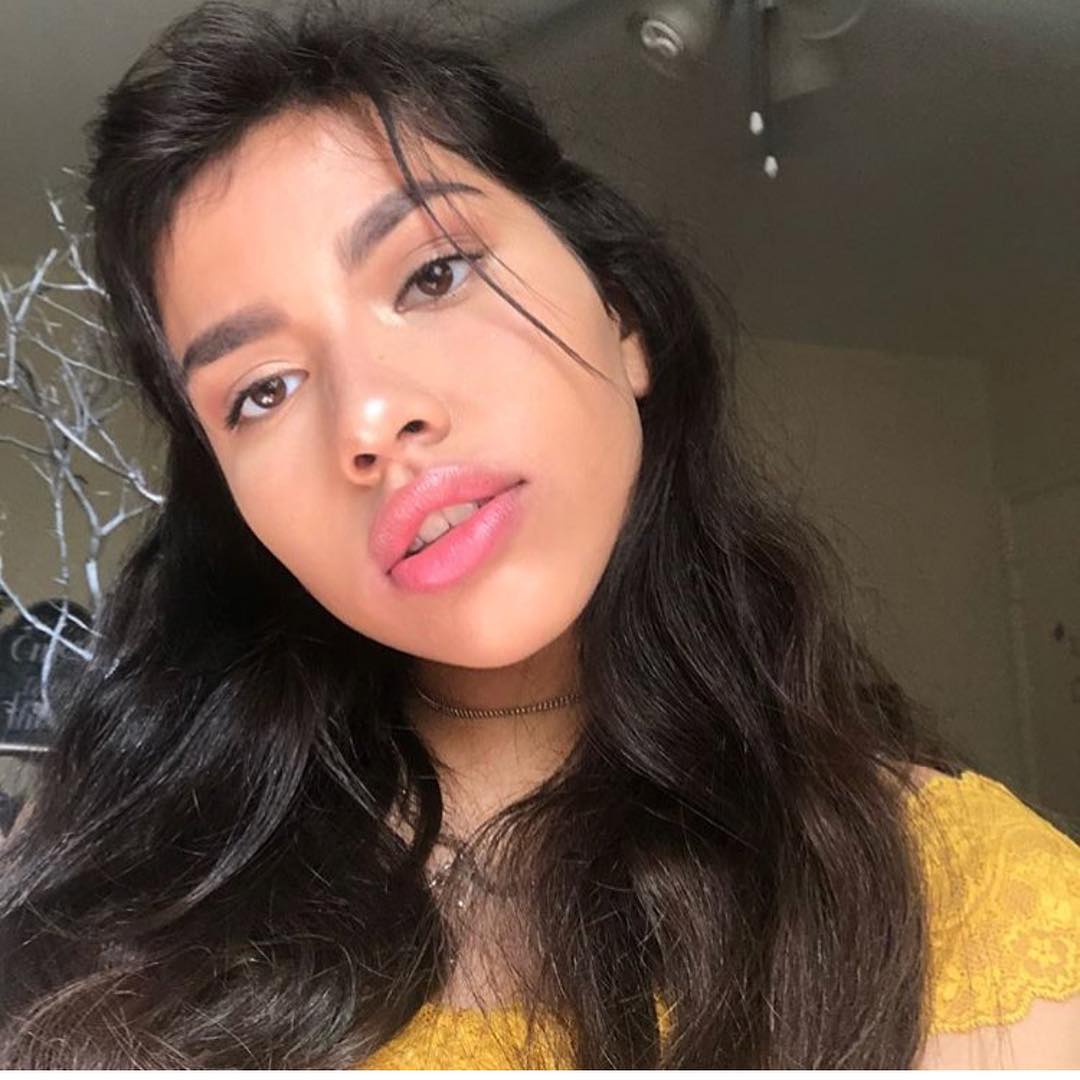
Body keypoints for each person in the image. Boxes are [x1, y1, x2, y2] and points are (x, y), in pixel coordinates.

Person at [0, 0, 1076, 1068]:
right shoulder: (121, 917)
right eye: (262, 391)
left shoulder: (974, 904)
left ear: (622, 319)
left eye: (432, 274)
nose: (369, 419)